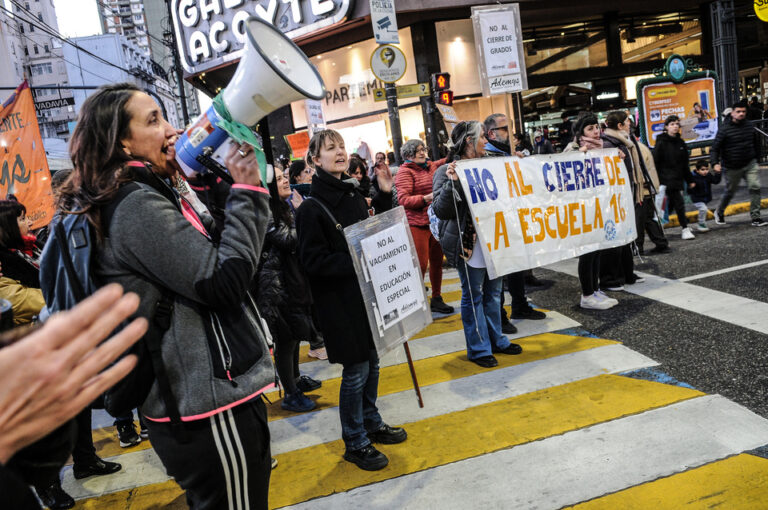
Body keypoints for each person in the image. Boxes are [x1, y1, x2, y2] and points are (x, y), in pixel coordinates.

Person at [57, 83, 274, 509]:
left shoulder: (148, 191)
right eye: (154, 120)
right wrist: (249, 192)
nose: (172, 129)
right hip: (206, 407)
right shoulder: (135, 206)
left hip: (204, 399)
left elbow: (219, 255)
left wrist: (206, 181)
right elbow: (224, 282)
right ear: (122, 142)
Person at [296, 129, 406, 472]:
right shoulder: (311, 208)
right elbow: (312, 262)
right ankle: (355, 441)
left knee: (372, 363)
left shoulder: (353, 193)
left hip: (366, 299)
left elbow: (375, 234)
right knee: (356, 371)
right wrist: (358, 260)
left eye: (341, 146)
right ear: (315, 160)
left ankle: (371, 422)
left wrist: (385, 195)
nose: (340, 152)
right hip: (339, 305)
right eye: (330, 148)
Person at [0, 285, 147, 510]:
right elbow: (16, 295)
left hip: (48, 337)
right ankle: (48, 485)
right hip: (27, 347)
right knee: (41, 421)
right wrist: (62, 301)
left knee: (78, 403)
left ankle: (86, 461)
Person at [432, 121, 522, 369]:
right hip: (468, 244)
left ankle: (497, 340)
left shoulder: (491, 163)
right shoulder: (445, 171)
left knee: (493, 293)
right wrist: (453, 182)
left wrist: (520, 166)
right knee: (474, 296)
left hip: (493, 240)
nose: (486, 140)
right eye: (482, 136)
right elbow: (441, 210)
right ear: (469, 141)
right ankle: (479, 348)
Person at [257, 169, 321, 413]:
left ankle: (295, 379)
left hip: (290, 281)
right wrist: (303, 213)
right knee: (285, 340)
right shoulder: (264, 210)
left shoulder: (283, 207)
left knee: (294, 335)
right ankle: (291, 394)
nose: (286, 180)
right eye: (279, 179)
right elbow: (288, 240)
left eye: (284, 176)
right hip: (276, 286)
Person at [482, 114, 546, 329]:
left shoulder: (508, 154)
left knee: (517, 263)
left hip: (513, 217)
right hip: (496, 221)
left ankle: (520, 304)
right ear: (492, 134)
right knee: (499, 270)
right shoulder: (486, 157)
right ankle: (499, 316)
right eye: (505, 129)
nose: (511, 134)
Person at [563, 114, 617, 310]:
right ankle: (587, 294)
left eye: (596, 127)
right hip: (582, 209)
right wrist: (579, 155)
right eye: (590, 128)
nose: (595, 131)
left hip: (597, 206)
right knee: (587, 251)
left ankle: (595, 289)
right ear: (581, 132)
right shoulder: (573, 148)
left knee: (597, 249)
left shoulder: (600, 147)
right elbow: (563, 169)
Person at [395, 139, 453, 314]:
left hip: (434, 223)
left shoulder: (430, 165)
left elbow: (448, 160)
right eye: (418, 150)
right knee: (420, 265)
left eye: (423, 149)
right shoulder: (404, 172)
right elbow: (403, 199)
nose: (422, 153)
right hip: (417, 224)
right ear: (408, 155)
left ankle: (436, 298)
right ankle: (416, 301)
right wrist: (426, 198)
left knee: (437, 262)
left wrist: (453, 148)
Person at [599, 111, 644, 291]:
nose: (630, 124)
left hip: (624, 194)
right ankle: (613, 277)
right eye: (627, 122)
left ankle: (626, 273)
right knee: (616, 237)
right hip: (614, 197)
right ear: (619, 125)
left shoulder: (622, 142)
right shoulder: (609, 144)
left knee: (626, 234)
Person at [711, 100, 767, 227]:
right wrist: (715, 163)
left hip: (749, 163)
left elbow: (756, 143)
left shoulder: (749, 126)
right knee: (730, 192)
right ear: (732, 113)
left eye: (743, 111)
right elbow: (715, 148)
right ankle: (719, 211)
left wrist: (757, 159)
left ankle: (756, 217)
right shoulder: (724, 130)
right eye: (738, 111)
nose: (741, 114)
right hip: (732, 166)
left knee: (755, 186)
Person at [626, 121, 670, 255]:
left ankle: (638, 247)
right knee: (648, 218)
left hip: (642, 189)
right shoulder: (639, 146)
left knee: (639, 219)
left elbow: (641, 169)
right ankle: (661, 242)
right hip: (647, 188)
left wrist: (642, 182)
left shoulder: (633, 148)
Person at [653, 115, 696, 240]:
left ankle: (658, 229)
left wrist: (690, 180)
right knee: (679, 203)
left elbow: (685, 164)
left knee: (671, 205)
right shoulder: (661, 142)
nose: (675, 126)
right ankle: (684, 228)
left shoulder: (680, 143)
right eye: (672, 124)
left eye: (677, 124)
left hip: (678, 179)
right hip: (665, 180)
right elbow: (655, 162)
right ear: (666, 127)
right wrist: (657, 180)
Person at [688, 160, 722, 232]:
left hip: (705, 198)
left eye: (707, 169)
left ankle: (701, 223)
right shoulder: (693, 177)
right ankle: (701, 224)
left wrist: (718, 173)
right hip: (696, 198)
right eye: (702, 170)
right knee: (703, 209)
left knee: (703, 210)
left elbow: (715, 181)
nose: (705, 171)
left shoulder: (708, 175)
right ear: (697, 170)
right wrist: (691, 187)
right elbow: (688, 190)